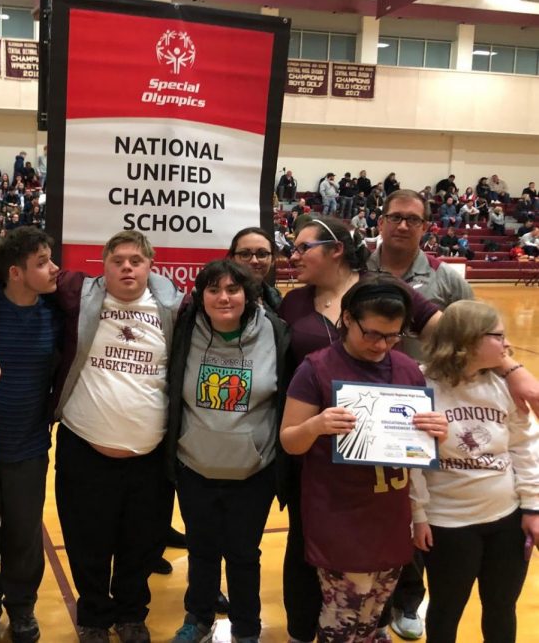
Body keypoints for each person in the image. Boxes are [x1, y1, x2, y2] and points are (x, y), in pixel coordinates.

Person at [277, 218, 441, 643]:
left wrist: (434, 430)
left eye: (392, 336)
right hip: (337, 509)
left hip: (388, 513)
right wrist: (315, 424)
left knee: (373, 616)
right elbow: (290, 439)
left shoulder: (406, 369)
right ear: (346, 319)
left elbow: (420, 456)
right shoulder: (315, 368)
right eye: (371, 334)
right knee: (342, 615)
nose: (380, 345)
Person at [54, 230, 183, 643]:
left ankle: (131, 614)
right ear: (103, 266)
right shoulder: (79, 298)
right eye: (118, 260)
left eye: (136, 260)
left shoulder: (174, 309)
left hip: (149, 456)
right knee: (85, 542)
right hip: (84, 448)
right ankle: (92, 616)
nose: (127, 267)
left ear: (151, 266)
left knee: (141, 544)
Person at [164, 260, 290, 643]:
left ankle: (246, 628)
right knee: (201, 551)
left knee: (243, 555)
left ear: (248, 295)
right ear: (200, 296)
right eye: (214, 289)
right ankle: (198, 619)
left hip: (253, 471)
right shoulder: (185, 330)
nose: (223, 297)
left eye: (233, 289)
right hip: (195, 466)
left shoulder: (275, 332)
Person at [413, 301, 539, 643]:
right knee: (446, 609)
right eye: (498, 336)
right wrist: (418, 515)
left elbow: (525, 447)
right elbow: (412, 466)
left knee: (501, 608)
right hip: (448, 523)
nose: (507, 344)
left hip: (507, 520)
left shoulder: (503, 385)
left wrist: (531, 506)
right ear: (468, 340)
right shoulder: (421, 384)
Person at [0, 227, 62, 643]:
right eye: (42, 262)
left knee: (24, 536)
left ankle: (22, 608)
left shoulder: (56, 313)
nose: (54, 269)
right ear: (14, 272)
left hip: (30, 448)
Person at [228, 227, 282, 312]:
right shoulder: (215, 298)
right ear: (232, 259)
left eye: (262, 254)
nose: (254, 261)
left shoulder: (275, 297)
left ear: (273, 259)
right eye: (245, 254)